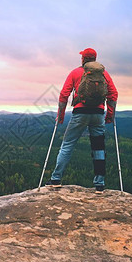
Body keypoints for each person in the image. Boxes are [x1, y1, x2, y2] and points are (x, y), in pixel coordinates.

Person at [45, 48, 118, 192]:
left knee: (67, 145)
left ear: (83, 59)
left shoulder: (75, 73)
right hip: (98, 114)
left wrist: (60, 115)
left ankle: (56, 179)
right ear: (95, 58)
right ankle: (99, 183)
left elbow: (64, 94)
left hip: (80, 112)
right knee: (98, 148)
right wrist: (110, 115)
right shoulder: (104, 73)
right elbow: (113, 94)